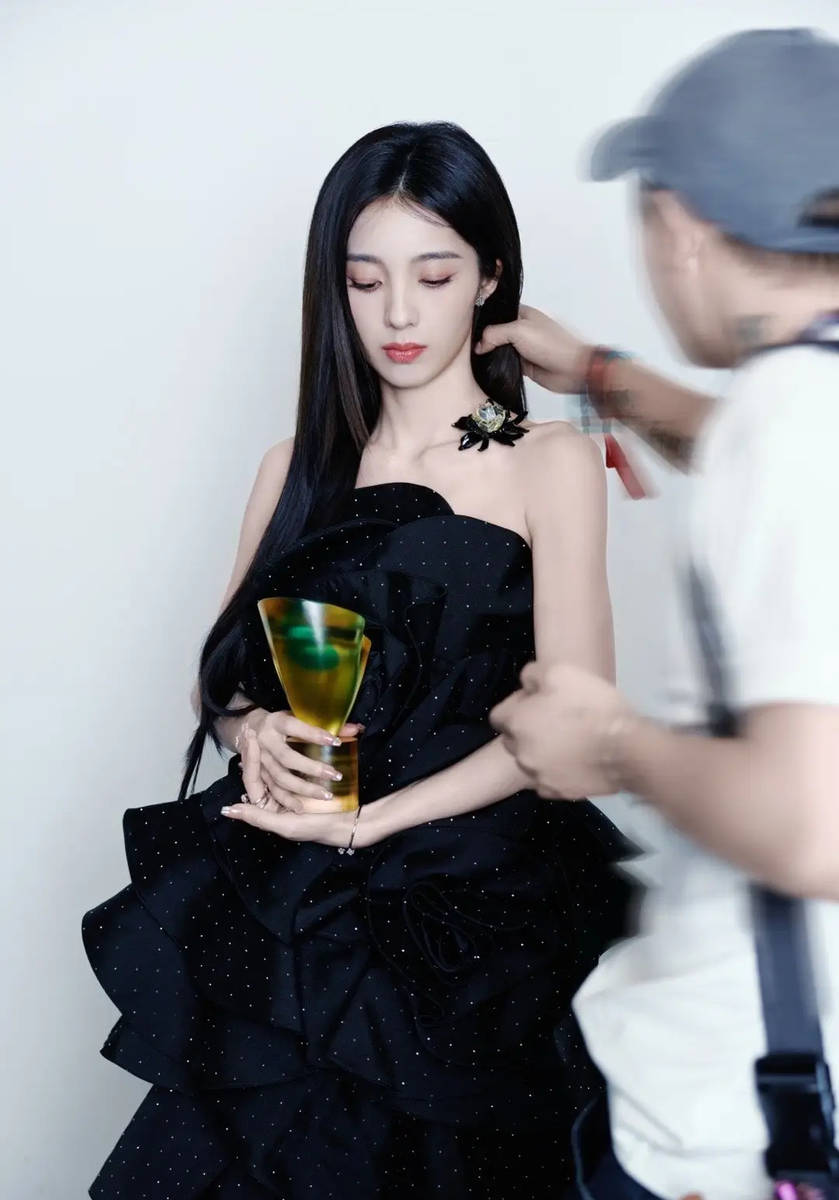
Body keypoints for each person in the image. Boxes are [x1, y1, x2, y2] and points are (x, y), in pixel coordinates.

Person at [82, 121, 631, 1200]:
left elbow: (577, 722)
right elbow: (223, 671)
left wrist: (369, 824)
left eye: (434, 276)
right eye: (365, 280)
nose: (398, 314)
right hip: (295, 889)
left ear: (490, 279)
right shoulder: (298, 465)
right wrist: (251, 731)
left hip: (472, 906)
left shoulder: (545, 459)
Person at [489, 28, 839, 1200]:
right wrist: (602, 375)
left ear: (678, 226)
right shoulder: (800, 414)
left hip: (739, 1126)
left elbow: (813, 827)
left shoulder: (787, 430)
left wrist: (609, 745)